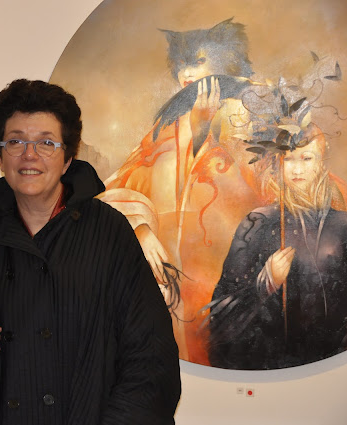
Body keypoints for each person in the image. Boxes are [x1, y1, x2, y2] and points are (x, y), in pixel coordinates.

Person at [0, 79, 181, 424]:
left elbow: (151, 359)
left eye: (46, 142)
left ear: (68, 158)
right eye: (15, 141)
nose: (29, 155)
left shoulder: (109, 231)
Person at [99, 18, 265, 363]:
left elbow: (261, 185)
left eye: (198, 61)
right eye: (181, 64)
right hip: (176, 269)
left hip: (233, 263)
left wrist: (204, 129)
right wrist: (140, 229)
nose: (187, 72)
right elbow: (121, 187)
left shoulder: (249, 110)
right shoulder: (165, 130)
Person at [207, 125, 347, 369]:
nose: (297, 169)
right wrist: (265, 284)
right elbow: (220, 315)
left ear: (321, 163)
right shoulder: (258, 222)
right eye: (288, 159)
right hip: (269, 365)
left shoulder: (343, 225)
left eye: (306, 158)